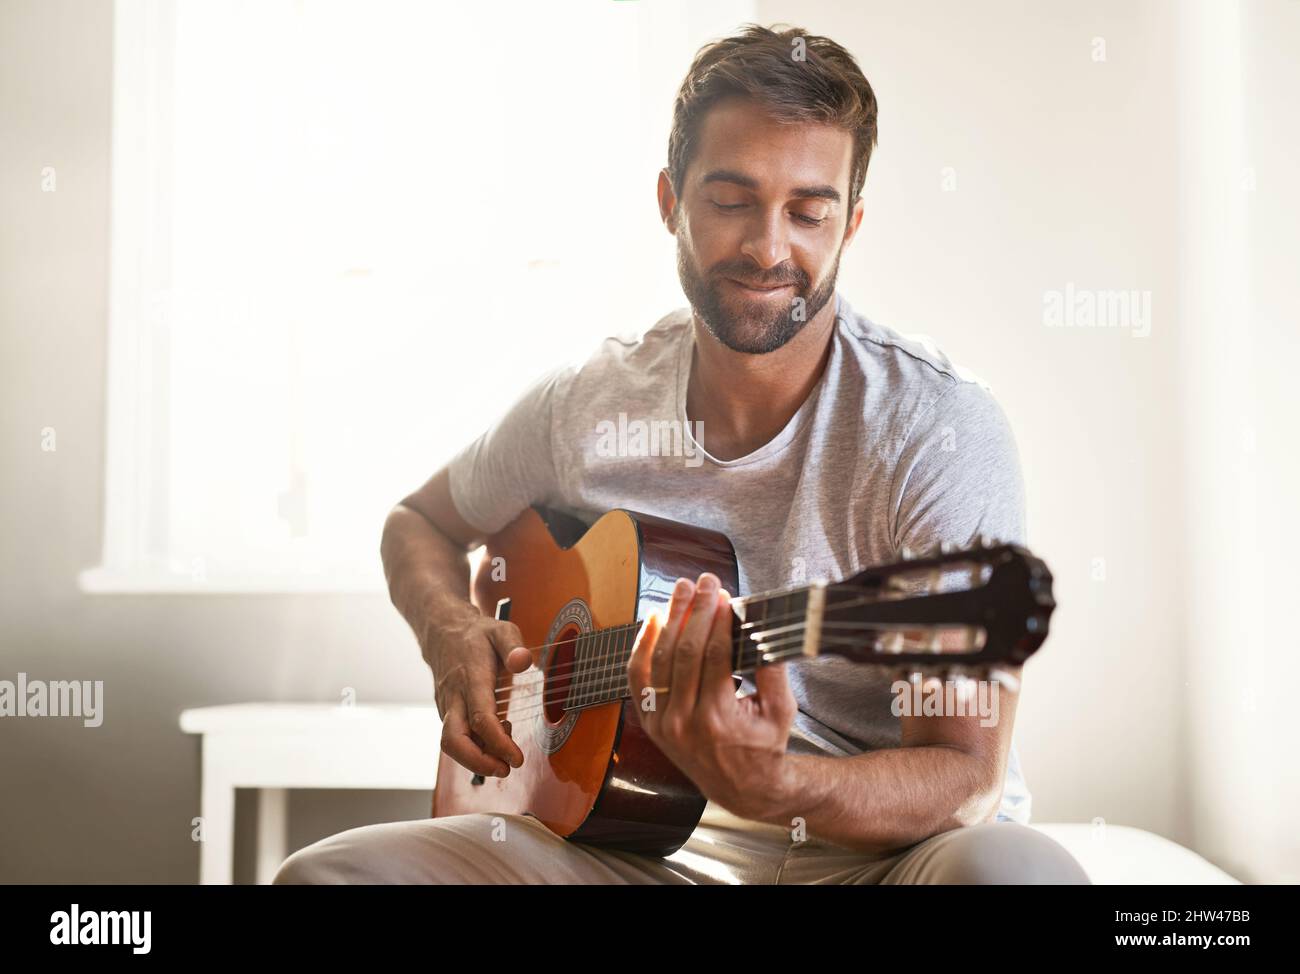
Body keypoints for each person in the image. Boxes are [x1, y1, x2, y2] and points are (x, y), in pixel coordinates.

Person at [275, 23, 1088, 885]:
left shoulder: (936, 430)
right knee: (325, 880)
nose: (770, 249)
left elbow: (966, 776)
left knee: (1014, 873)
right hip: (633, 848)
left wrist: (778, 785)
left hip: (881, 861)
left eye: (808, 212)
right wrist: (451, 634)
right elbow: (419, 525)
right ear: (670, 200)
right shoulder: (587, 404)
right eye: (732, 200)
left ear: (850, 224)